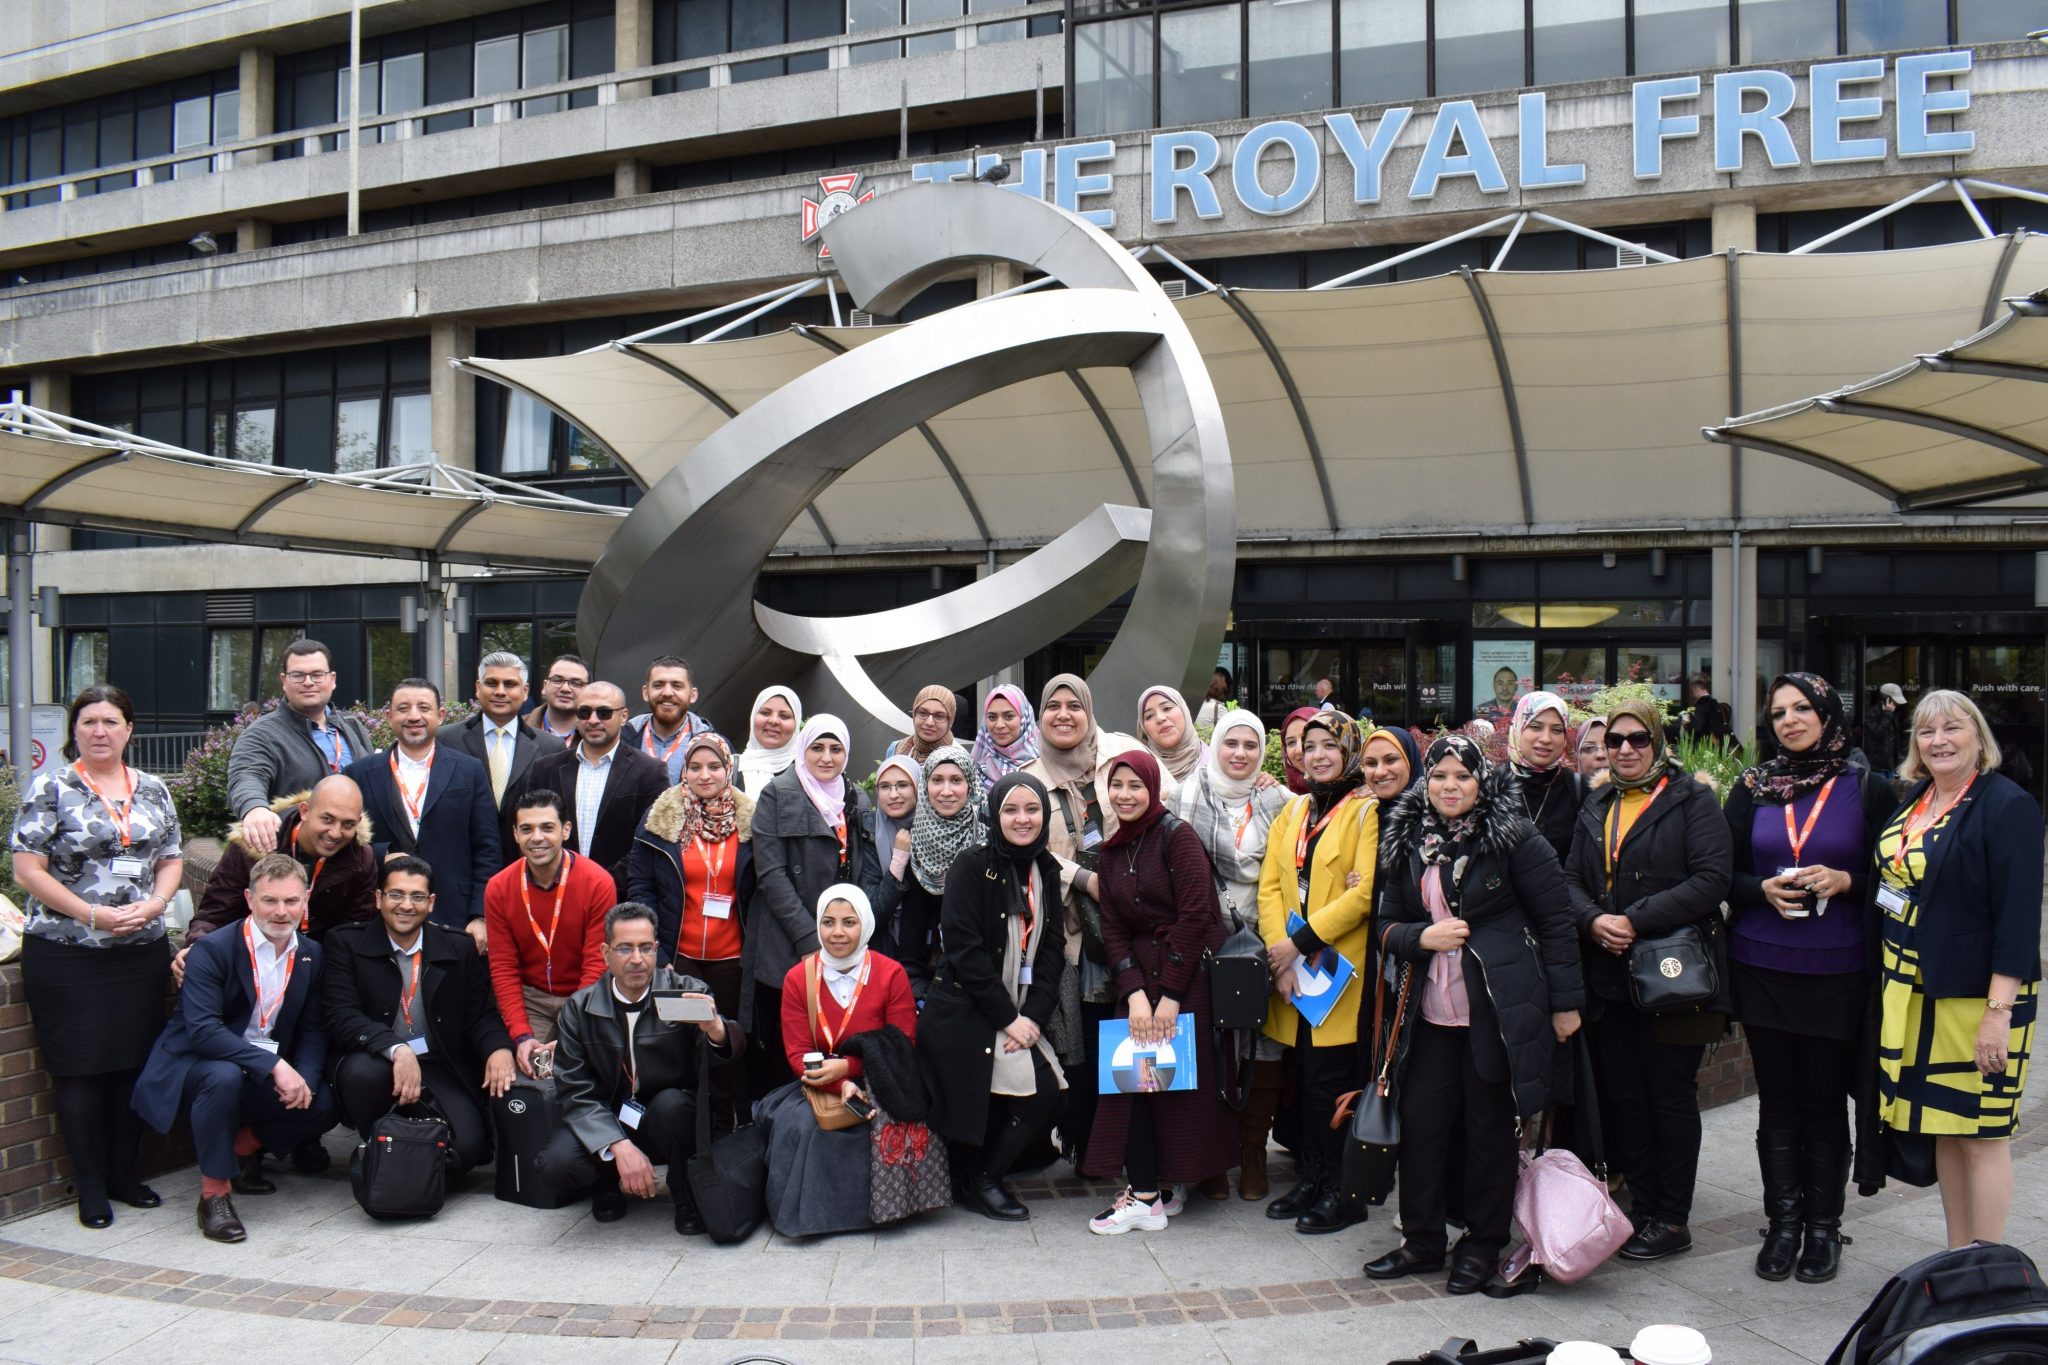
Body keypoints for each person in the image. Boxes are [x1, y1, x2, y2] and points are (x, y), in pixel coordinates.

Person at [1369, 734, 1584, 1296]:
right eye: (1439, 776)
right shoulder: (1406, 838)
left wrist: (1566, 1005)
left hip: (1497, 1014)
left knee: (1490, 1134)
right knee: (1422, 1129)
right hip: (1430, 1017)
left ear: (1481, 780)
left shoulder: (1515, 838)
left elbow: (1558, 923)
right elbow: (1383, 925)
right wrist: (1423, 936)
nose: (1449, 786)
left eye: (1461, 776)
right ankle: (1421, 1241)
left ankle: (1482, 1244)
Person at [1723, 672, 1899, 1283]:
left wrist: (1849, 882)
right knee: (1777, 1103)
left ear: (1827, 714)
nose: (1789, 720)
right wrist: (1760, 888)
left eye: (1802, 708)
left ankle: (1824, 1229)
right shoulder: (1751, 789)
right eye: (1778, 712)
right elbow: (1720, 875)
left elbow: (1899, 881)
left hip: (1838, 970)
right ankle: (1783, 1225)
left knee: (1823, 1105)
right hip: (1762, 965)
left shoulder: (1868, 789)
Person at [1563, 697, 1732, 1262]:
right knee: (1626, 1095)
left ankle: (1672, 1217)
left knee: (1670, 1096)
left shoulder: (1692, 800)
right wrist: (1593, 920)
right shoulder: (1599, 803)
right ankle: (1643, 1206)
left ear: (1658, 741)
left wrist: (1633, 919)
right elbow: (1569, 881)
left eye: (1638, 739)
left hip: (1671, 977)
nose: (1626, 750)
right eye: (1615, 741)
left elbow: (1712, 879)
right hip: (1609, 976)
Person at [9, 685, 184, 1229]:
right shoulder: (51, 786)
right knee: (81, 1071)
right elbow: (27, 869)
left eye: (110, 721)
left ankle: (125, 1175)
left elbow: (172, 857)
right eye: (89, 722)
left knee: (131, 1066)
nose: (100, 731)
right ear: (75, 731)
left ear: (130, 729)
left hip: (139, 952)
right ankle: (89, 1185)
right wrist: (90, 914)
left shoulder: (153, 788)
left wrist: (156, 904)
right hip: (69, 955)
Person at [1876, 690, 2042, 1249]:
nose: (1939, 741)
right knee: (1943, 1129)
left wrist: (1999, 1014)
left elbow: (2018, 921)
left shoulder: (2006, 804)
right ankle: (1957, 1257)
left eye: (1952, 728)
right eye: (1926, 732)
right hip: (1917, 994)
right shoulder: (1918, 796)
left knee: (1982, 1135)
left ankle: (1988, 1270)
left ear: (1978, 737)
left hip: (1978, 999)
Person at [132, 855, 337, 1244]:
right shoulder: (213, 949)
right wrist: (275, 1065)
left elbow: (313, 1029)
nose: (281, 912)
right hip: (196, 1065)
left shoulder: (312, 953)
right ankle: (214, 1196)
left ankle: (241, 1149)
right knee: (223, 1076)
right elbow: (203, 1031)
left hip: (257, 1069)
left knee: (323, 1100)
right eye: (270, 901)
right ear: (249, 898)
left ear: (306, 900)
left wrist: (303, 1081)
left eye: (291, 901)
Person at [1082, 753, 1237, 1233]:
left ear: (1153, 787)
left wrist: (1169, 995)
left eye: (1135, 785)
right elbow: (1113, 931)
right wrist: (1132, 993)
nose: (1125, 795)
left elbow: (1196, 917)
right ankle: (1153, 1189)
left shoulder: (1177, 836)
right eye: (1117, 785)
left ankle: (1150, 1194)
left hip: (1185, 976)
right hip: (1139, 982)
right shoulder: (1110, 852)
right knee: (1133, 1086)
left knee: (1171, 1088)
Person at [539, 903, 745, 1235]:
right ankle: (606, 1185)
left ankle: (686, 1196)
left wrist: (716, 1029)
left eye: (646, 947)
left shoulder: (684, 991)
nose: (637, 958)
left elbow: (719, 1069)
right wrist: (617, 1145)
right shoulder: (579, 1008)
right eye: (625, 948)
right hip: (608, 1116)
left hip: (664, 1118)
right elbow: (574, 1090)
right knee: (556, 1164)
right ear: (606, 953)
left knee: (673, 1106)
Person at [919, 772, 1067, 1220]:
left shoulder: (1047, 869)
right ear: (994, 813)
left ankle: (982, 1173)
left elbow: (1053, 950)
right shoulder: (971, 864)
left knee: (1049, 1092)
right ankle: (981, 1179)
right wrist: (1009, 1018)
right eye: (1011, 810)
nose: (1022, 820)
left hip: (1021, 1012)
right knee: (1034, 1091)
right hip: (969, 1010)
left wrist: (1034, 1019)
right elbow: (963, 949)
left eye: (1032, 809)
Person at [1257, 708, 1378, 1235]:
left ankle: (1344, 1191)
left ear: (1349, 750)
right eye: (1310, 747)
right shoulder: (1296, 810)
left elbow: (1366, 893)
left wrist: (1299, 943)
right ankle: (1312, 1176)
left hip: (1339, 976)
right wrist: (1278, 954)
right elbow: (1269, 887)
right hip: (1294, 973)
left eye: (1330, 745)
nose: (1319, 755)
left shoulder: (1364, 811)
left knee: (1335, 1085)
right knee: (1305, 1079)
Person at [1021, 673, 1148, 1169]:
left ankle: (1126, 1149)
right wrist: (1082, 878)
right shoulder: (1030, 777)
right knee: (1075, 1044)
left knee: (1119, 1037)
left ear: (1089, 711)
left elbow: (1151, 820)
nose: (1064, 715)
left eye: (1075, 705)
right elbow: (1026, 849)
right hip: (1064, 935)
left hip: (1127, 930)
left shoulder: (1116, 768)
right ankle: (1084, 1145)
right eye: (1053, 706)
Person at [324, 856, 516, 1173]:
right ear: (378, 898)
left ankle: (396, 1163)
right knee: (362, 1073)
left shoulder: (458, 947)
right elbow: (342, 1015)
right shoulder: (345, 942)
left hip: (439, 1066)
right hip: (376, 1062)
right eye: (396, 894)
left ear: (431, 903)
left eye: (417, 896)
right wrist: (396, 1049)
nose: (406, 905)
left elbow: (480, 1015)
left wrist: (499, 1048)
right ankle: (379, 1143)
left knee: (469, 1148)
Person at [1172, 710, 1291, 1200]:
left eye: (1249, 745)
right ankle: (1214, 1157)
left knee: (1265, 1050)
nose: (1240, 754)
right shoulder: (1183, 797)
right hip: (1205, 941)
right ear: (1214, 745)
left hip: (1267, 941)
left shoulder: (1281, 801)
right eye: (1230, 744)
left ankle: (1252, 1151)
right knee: (1212, 1048)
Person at [759, 885, 920, 1237]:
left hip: (882, 1079)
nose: (837, 933)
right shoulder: (798, 978)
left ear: (865, 925)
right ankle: (810, 1218)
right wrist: (837, 1082)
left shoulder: (890, 973)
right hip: (818, 1081)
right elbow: (798, 1052)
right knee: (803, 1127)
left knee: (881, 1123)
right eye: (828, 922)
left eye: (849, 922)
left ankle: (883, 1212)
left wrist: (851, 1070)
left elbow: (902, 1044)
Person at [627, 733, 754, 1133]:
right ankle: (683, 1130)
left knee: (724, 1043)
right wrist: (657, 953)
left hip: (732, 962)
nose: (705, 775)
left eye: (714, 766)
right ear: (683, 769)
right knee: (680, 1045)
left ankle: (722, 1129)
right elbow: (641, 886)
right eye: (695, 766)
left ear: (728, 768)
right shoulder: (661, 817)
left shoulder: (752, 819)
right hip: (678, 960)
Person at [748, 714, 878, 1102]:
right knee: (783, 1043)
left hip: (841, 941)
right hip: (791, 938)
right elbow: (770, 874)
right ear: (803, 749)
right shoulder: (778, 793)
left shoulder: (856, 796)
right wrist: (810, 938)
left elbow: (862, 867)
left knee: (833, 1037)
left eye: (835, 748)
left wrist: (849, 933)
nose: (826, 757)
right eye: (817, 747)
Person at [343, 678, 500, 948]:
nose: (413, 716)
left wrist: (480, 915)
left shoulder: (469, 770)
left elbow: (488, 848)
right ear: (389, 716)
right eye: (403, 708)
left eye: (423, 708)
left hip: (454, 913)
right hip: (381, 913)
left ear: (440, 715)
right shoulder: (359, 774)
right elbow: (345, 843)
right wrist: (382, 856)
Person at [183, 774, 377, 978]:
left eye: (348, 824)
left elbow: (353, 933)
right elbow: (215, 913)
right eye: (327, 819)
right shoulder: (253, 845)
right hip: (249, 966)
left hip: (316, 970)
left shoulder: (360, 859)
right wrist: (197, 948)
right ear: (305, 811)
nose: (336, 833)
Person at [484, 788, 615, 1078]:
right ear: (516, 834)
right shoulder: (499, 887)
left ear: (566, 830)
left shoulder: (597, 883)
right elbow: (504, 968)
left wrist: (572, 1030)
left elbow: (596, 965)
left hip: (582, 997)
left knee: (581, 1074)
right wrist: (521, 1035)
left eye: (547, 827)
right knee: (535, 1077)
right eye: (527, 829)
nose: (537, 838)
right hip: (533, 1000)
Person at [225, 638, 374, 855]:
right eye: (298, 675)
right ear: (284, 681)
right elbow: (246, 775)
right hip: (297, 858)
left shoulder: (352, 726)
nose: (308, 682)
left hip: (354, 855)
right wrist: (254, 808)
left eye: (317, 674)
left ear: (332, 680)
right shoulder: (262, 734)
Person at [518, 680, 668, 885]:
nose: (593, 720)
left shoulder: (650, 772)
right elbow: (532, 830)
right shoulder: (546, 769)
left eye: (604, 712)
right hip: (555, 892)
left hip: (621, 898)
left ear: (623, 716)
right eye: (584, 712)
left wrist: (601, 885)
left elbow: (651, 843)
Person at [890, 745, 983, 999]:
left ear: (971, 784)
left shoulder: (987, 841)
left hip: (977, 984)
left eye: (956, 780)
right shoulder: (913, 841)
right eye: (937, 780)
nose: (946, 791)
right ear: (924, 786)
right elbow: (910, 933)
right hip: (923, 984)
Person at [451, 650, 544, 837]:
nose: (500, 691)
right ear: (478, 688)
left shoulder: (549, 746)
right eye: (491, 683)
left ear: (525, 691)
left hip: (525, 859)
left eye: (510, 684)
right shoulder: (447, 740)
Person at [1509, 691, 1583, 862]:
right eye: (1535, 727)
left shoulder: (1579, 789)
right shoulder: (1491, 787)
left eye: (1557, 730)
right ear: (1518, 727)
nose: (1546, 738)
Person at [626, 655, 717, 785]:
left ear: (692, 695)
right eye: (658, 685)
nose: (667, 693)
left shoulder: (714, 745)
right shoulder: (623, 738)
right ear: (645, 693)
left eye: (677, 686)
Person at [867, 754, 919, 966]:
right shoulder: (867, 833)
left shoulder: (937, 834)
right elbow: (873, 915)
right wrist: (898, 861)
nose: (894, 795)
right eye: (885, 787)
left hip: (925, 954)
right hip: (883, 951)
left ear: (918, 787)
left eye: (902, 785)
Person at [733, 685, 804, 796]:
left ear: (796, 722)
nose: (774, 721)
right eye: (765, 713)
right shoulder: (729, 769)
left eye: (784, 716)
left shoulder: (805, 773)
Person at [970, 684, 1039, 787]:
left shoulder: (1046, 763)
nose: (999, 725)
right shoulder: (975, 768)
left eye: (1008, 716)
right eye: (992, 717)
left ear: (1024, 718)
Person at [1138, 685, 1208, 784]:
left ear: (1184, 710)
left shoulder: (1217, 764)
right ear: (1143, 728)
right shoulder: (1138, 773)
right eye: (1149, 716)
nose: (1160, 718)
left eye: (1167, 708)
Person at [886, 685, 958, 767]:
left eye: (939, 716)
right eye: (923, 713)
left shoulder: (957, 759)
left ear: (950, 721)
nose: (929, 722)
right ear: (914, 714)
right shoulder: (895, 749)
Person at [531, 653, 590, 745]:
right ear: (544, 686)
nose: (565, 689)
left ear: (588, 691)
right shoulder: (518, 728)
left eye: (576, 683)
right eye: (557, 680)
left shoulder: (599, 733)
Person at [1865, 683, 1905, 779]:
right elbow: (1877, 733)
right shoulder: (1873, 713)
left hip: (1890, 764)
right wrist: (1888, 714)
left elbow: (1895, 738)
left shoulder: (1893, 713)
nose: (1895, 704)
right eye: (1893, 700)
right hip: (1877, 765)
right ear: (1886, 698)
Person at [1683, 674, 1731, 747]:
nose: (1692, 693)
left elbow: (1697, 728)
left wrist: (1686, 724)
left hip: (1705, 745)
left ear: (1697, 689)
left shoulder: (1701, 705)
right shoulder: (1716, 704)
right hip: (1718, 744)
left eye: (1692, 690)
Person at [1280, 706, 1319, 794]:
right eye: (1291, 742)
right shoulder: (1283, 798)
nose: (1299, 750)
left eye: (1306, 738)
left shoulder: (1354, 793)